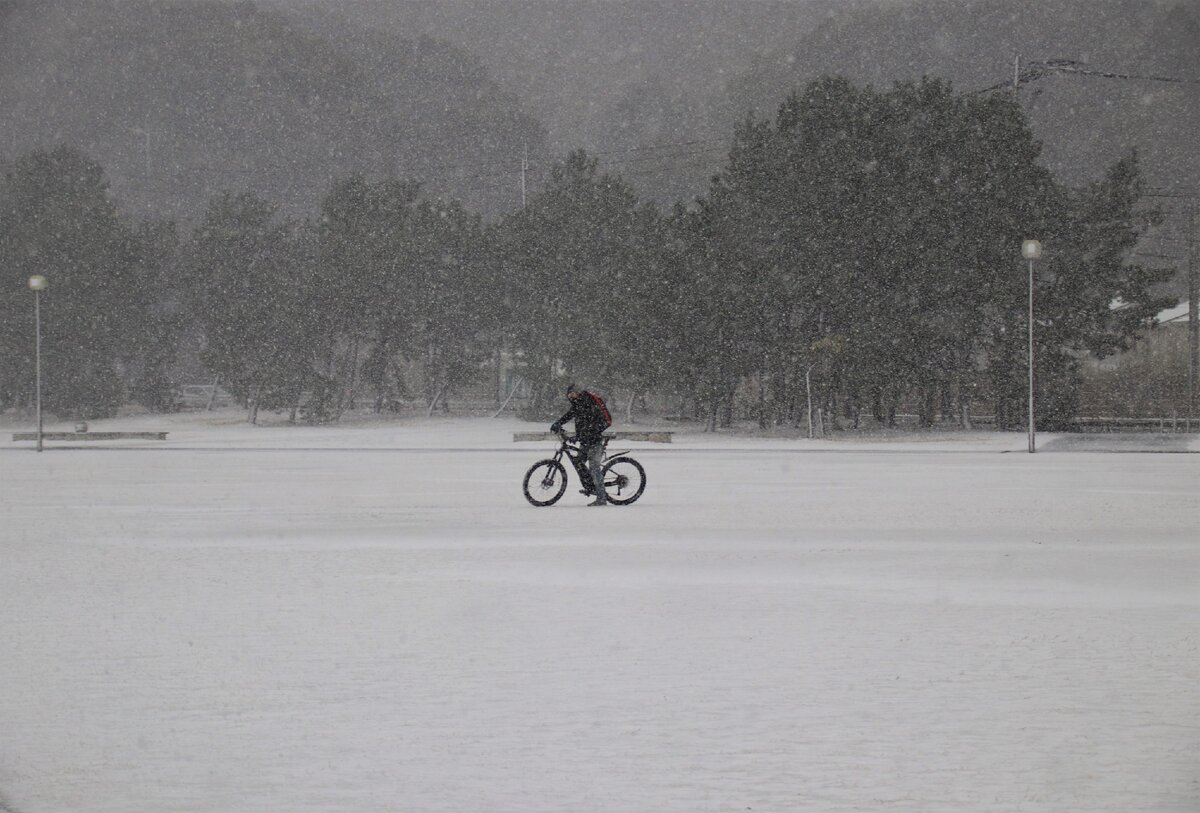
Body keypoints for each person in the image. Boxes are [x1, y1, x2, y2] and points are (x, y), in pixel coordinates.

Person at [550, 384, 612, 506]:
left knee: (594, 468)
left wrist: (580, 436)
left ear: (578, 393)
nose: (570, 396)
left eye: (572, 393)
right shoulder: (577, 404)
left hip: (594, 440)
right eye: (569, 394)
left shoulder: (588, 402)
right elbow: (569, 415)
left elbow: (594, 424)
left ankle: (601, 498)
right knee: (578, 462)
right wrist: (558, 423)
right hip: (585, 441)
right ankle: (590, 486)